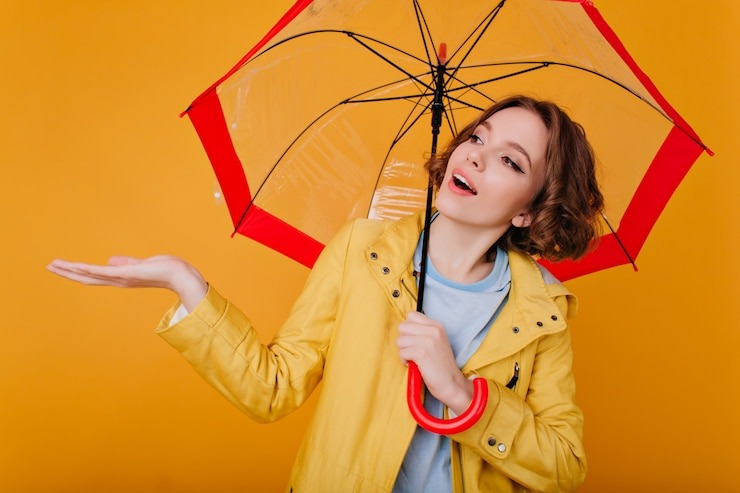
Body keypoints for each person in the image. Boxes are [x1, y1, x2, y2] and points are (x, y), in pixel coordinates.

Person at [47, 95, 604, 493]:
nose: (476, 156)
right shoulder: (361, 250)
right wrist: (183, 281)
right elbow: (273, 387)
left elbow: (565, 465)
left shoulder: (542, 312)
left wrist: (461, 392)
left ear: (531, 209)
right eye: (477, 137)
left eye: (511, 160)